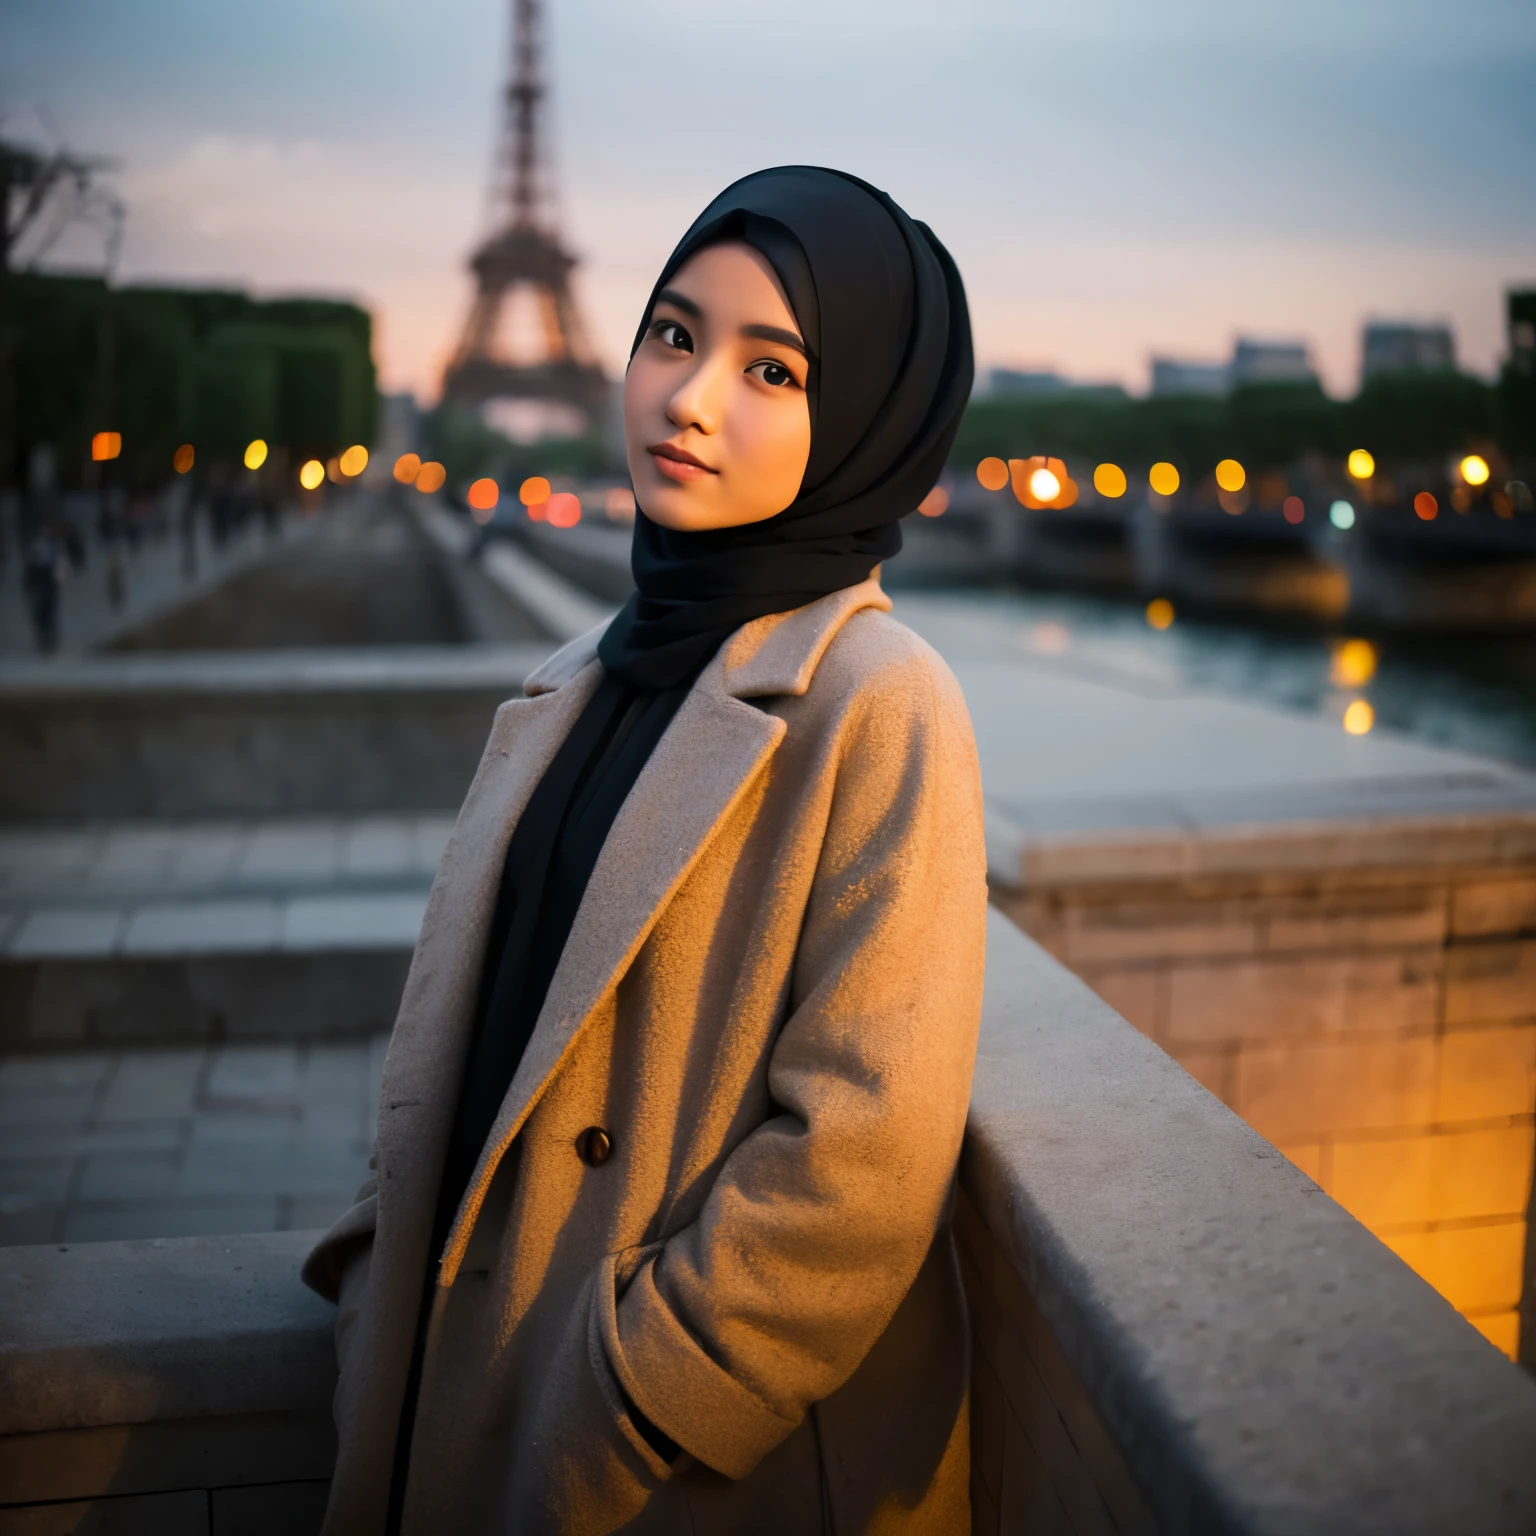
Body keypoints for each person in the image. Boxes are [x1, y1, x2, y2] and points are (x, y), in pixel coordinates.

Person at [303, 165, 986, 1535]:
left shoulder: (882, 698)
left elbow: (862, 1154)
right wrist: (380, 1271)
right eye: (672, 334)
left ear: (868, 419)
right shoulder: (583, 673)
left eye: (774, 370)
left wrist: (636, 1403)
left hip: (641, 1463)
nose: (688, 397)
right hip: (454, 1360)